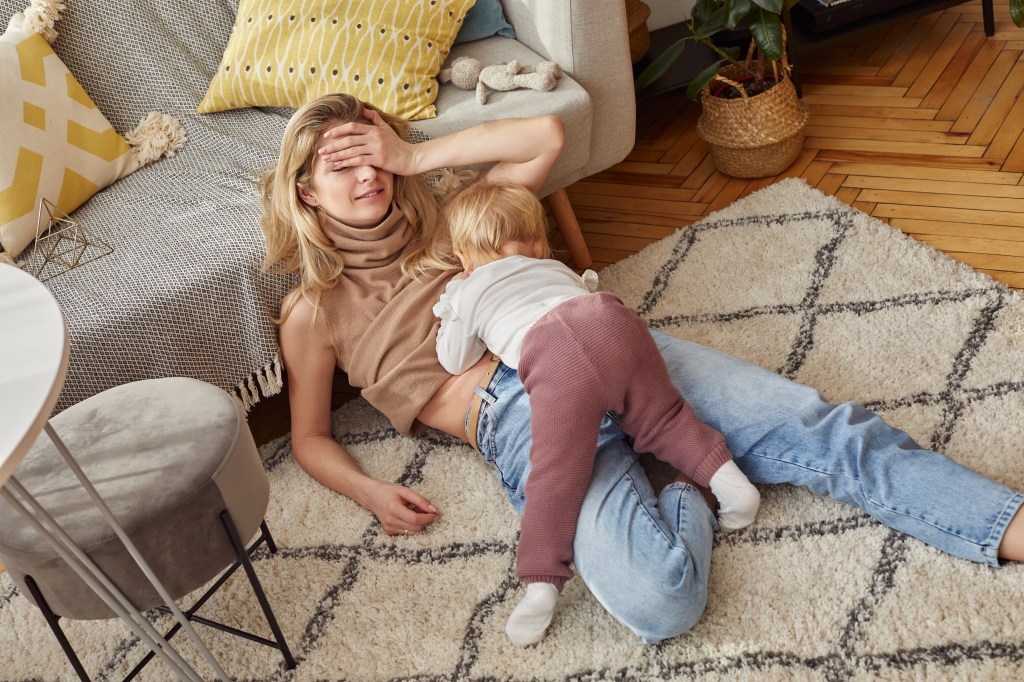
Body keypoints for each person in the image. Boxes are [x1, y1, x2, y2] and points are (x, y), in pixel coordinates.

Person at [260, 92, 1024, 648]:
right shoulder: (314, 309)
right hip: (513, 413)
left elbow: (544, 132)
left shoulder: (463, 215)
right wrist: (369, 494)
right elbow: (310, 438)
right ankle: (690, 485)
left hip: (606, 347)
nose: (368, 176)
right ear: (304, 189)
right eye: (342, 164)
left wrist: (415, 155)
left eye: (374, 155)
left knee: (819, 428)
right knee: (659, 603)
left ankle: (1007, 525)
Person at [432, 181, 761, 646]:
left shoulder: (467, 288)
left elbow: (454, 359)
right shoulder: (551, 266)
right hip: (611, 319)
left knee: (557, 472)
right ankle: (733, 485)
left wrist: (451, 307)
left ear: (465, 256)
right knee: (664, 417)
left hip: (553, 352)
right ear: (537, 241)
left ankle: (541, 586)